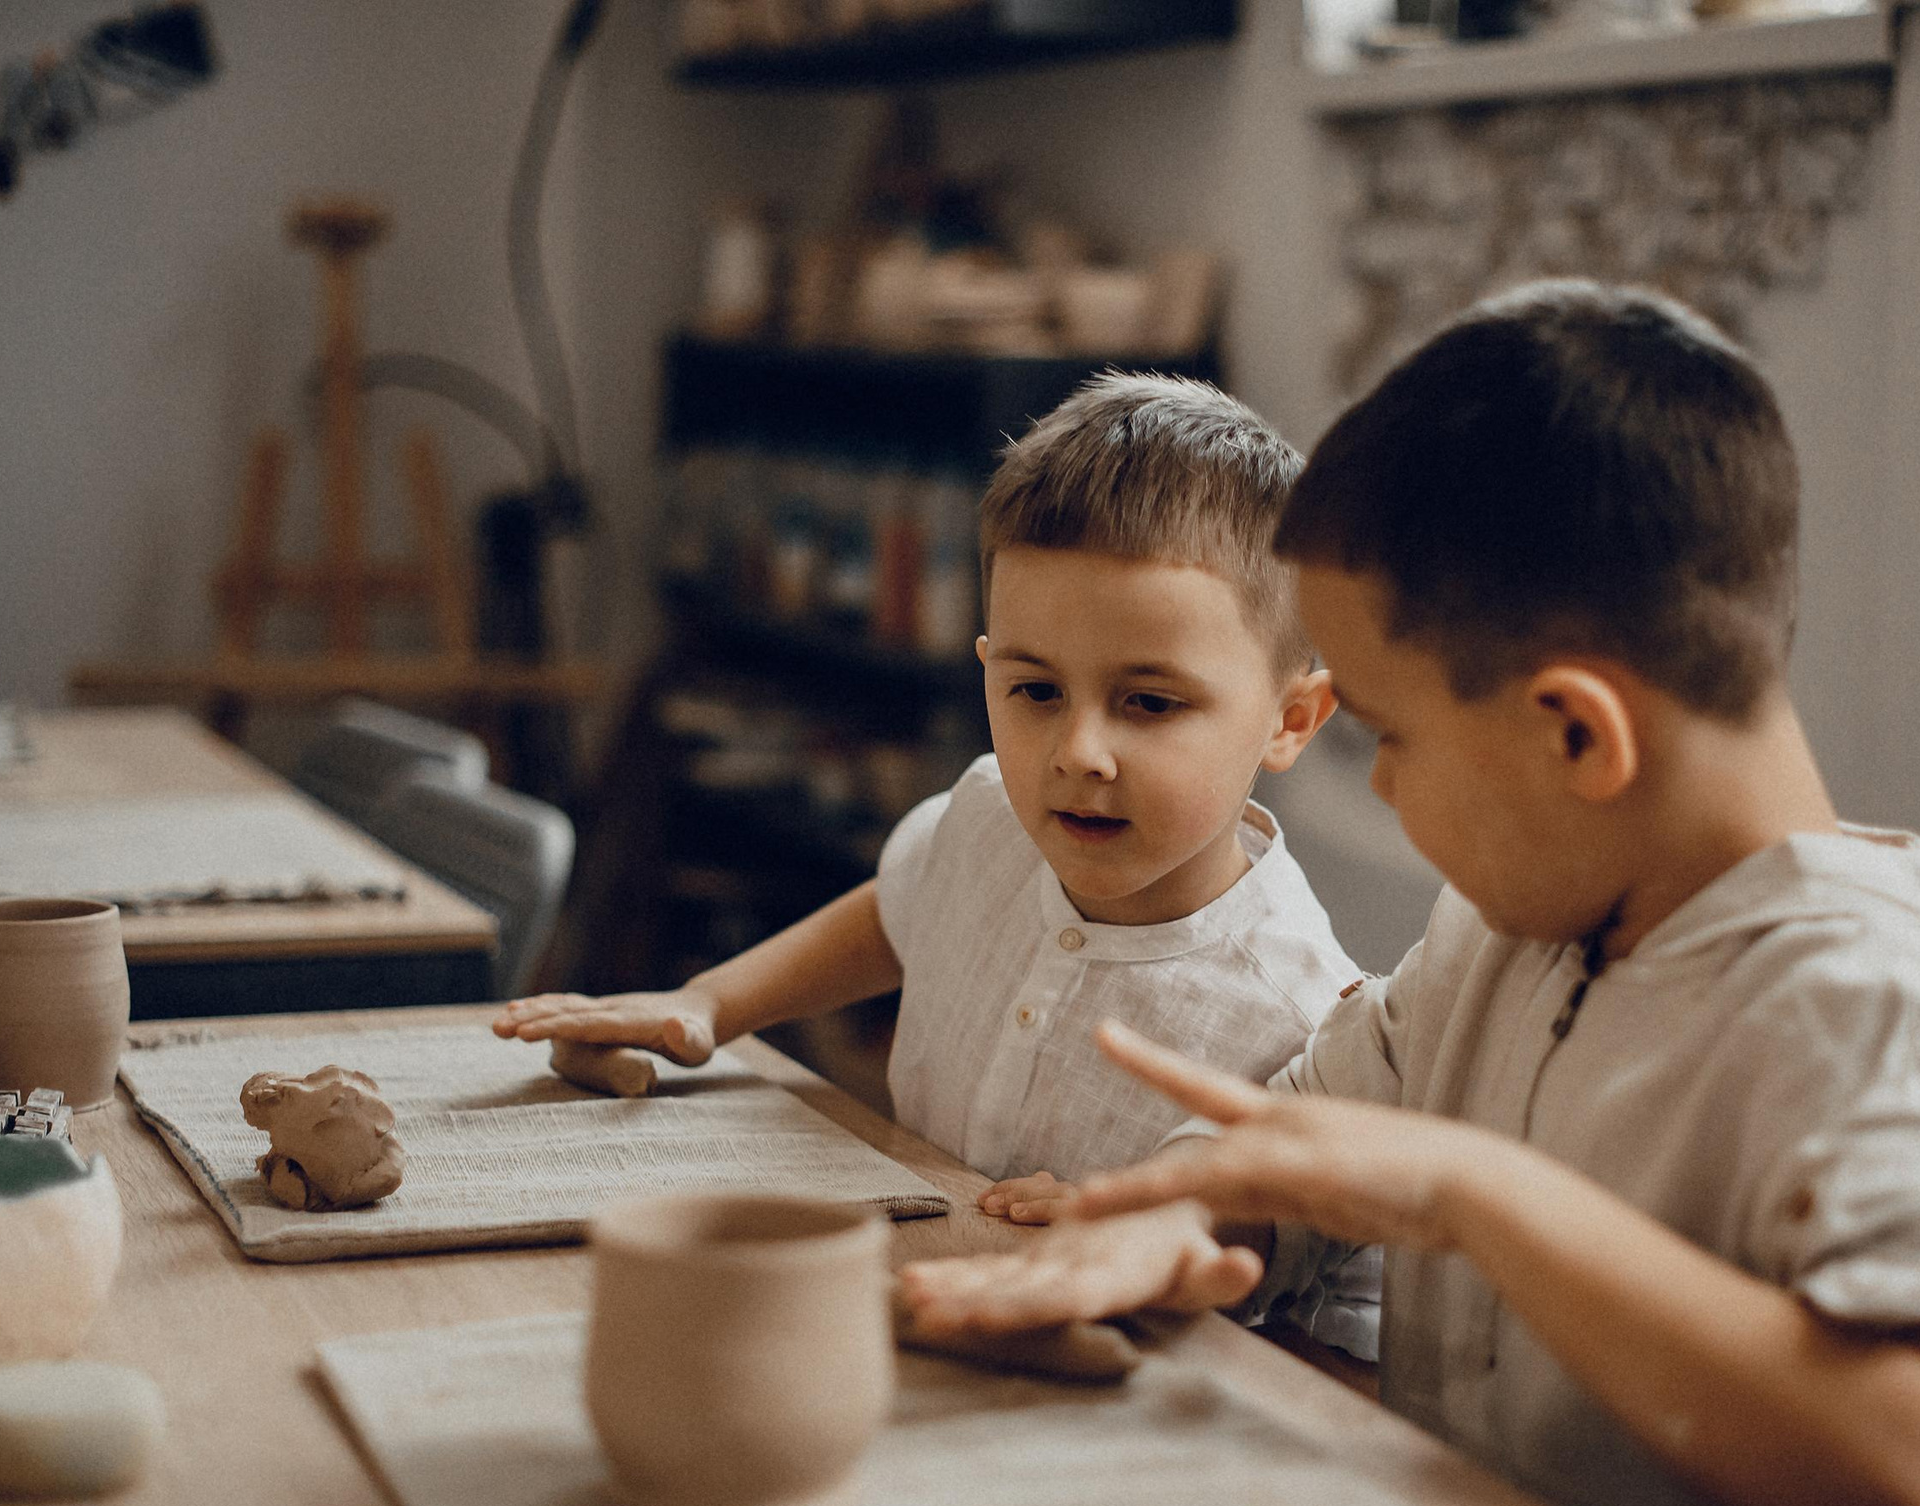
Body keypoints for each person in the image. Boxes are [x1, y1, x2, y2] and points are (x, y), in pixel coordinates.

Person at [895, 283, 1920, 1506]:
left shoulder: (1879, 1011)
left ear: (1576, 733)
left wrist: (1481, 1195)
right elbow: (1300, 1131)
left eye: (1390, 738)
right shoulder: (1506, 937)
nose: (1386, 791)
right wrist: (1172, 1217)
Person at [499, 372, 1381, 1358]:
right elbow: (896, 910)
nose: (1079, 752)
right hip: (929, 1306)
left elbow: (1306, 1285)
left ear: (1289, 718)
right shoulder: (987, 816)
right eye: (1035, 689)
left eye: (1149, 702)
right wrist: (710, 1001)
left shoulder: (1306, 1015)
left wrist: (1143, 1229)